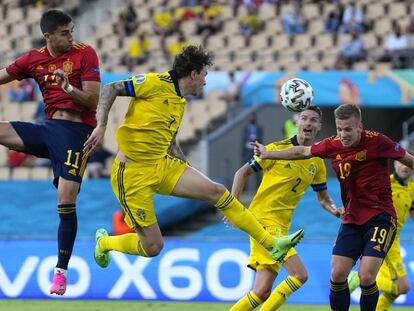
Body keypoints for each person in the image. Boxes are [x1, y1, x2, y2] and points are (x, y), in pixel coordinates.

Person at [83, 45, 304, 270]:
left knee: (217, 191)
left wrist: (186, 165)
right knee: (152, 247)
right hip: (132, 174)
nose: (206, 82)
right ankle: (105, 242)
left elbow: (168, 142)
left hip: (161, 164)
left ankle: (271, 243)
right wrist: (100, 126)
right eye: (205, 75)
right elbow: (110, 88)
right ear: (194, 74)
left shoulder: (179, 101)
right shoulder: (154, 83)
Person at [253, 104, 414, 311]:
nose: (343, 134)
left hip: (380, 217)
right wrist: (268, 154)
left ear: (360, 127)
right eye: (339, 129)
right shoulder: (333, 145)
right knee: (337, 275)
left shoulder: (378, 142)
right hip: (352, 219)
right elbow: (302, 151)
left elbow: (409, 160)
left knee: (366, 277)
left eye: (348, 129)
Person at [0, 9, 100, 295]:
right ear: (48, 36)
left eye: (72, 31)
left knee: (66, 200)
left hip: (76, 134)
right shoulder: (34, 59)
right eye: (64, 33)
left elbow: (93, 99)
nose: (71, 37)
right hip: (48, 130)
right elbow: (4, 75)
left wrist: (68, 87)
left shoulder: (85, 53)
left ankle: (60, 272)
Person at [230, 106, 344, 310]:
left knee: (262, 292)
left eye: (313, 120)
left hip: (281, 226)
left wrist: (335, 210)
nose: (308, 123)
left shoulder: (317, 161)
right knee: (300, 275)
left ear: (319, 127)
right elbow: (241, 173)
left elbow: (323, 198)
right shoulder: (275, 149)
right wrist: (234, 207)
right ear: (297, 122)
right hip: (262, 222)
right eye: (304, 118)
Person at [348, 160, 414, 310]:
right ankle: (359, 279)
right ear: (395, 164)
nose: (405, 167)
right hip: (384, 236)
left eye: (409, 164)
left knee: (396, 291)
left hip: (396, 238)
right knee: (403, 287)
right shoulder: (385, 183)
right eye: (402, 163)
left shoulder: (412, 188)